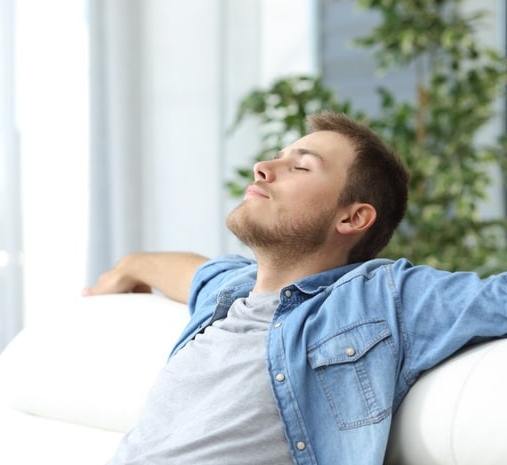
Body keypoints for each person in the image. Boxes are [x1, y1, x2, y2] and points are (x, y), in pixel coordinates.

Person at [82, 111, 507, 465]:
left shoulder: (378, 297)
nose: (263, 169)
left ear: (353, 218)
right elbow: (190, 271)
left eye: (300, 167)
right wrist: (128, 266)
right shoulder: (231, 292)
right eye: (276, 158)